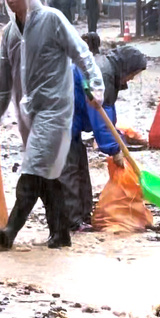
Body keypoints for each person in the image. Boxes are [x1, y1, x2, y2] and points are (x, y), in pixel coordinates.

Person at [0, 0, 104, 250]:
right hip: (28, 112)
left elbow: (81, 52)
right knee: (46, 174)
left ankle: (10, 230)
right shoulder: (10, 34)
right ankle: (61, 233)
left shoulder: (52, 20)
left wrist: (96, 84)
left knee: (32, 169)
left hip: (55, 109)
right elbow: (3, 80)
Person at [60, 46, 146, 233]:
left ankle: (82, 217)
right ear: (126, 68)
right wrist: (114, 150)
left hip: (69, 124)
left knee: (80, 168)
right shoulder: (102, 74)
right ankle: (72, 222)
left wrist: (118, 140)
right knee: (70, 172)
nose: (131, 79)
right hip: (60, 123)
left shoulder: (107, 71)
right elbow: (100, 118)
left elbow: (108, 115)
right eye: (133, 74)